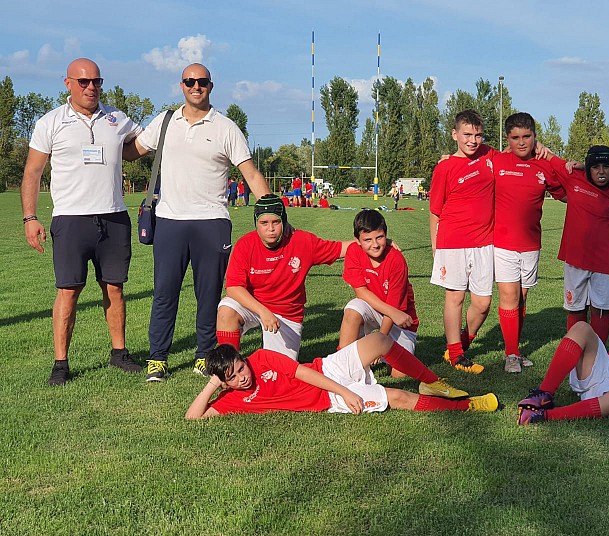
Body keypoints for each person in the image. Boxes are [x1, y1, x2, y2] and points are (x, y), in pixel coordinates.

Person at [123, 64, 270, 382]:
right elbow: (131, 151)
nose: (196, 86)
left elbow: (251, 174)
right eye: (190, 81)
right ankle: (157, 359)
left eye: (202, 82)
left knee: (208, 295)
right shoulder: (164, 122)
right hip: (170, 222)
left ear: (211, 86)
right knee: (164, 292)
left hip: (211, 223)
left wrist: (273, 211)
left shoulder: (226, 128)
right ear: (181, 85)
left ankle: (204, 355)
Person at [21, 58, 143, 385]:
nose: (91, 87)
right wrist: (30, 217)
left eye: (97, 81)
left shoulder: (117, 118)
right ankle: (61, 363)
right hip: (71, 220)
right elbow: (32, 173)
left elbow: (138, 146)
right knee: (68, 291)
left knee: (114, 288)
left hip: (114, 217)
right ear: (68, 84)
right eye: (84, 81)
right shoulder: (51, 122)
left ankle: (119, 353)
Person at [185, 331, 498, 419]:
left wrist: (348, 390)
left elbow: (305, 374)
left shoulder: (262, 358)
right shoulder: (231, 399)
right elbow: (193, 417)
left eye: (241, 367)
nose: (243, 376)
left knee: (378, 340)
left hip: (326, 372)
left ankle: (432, 381)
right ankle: (467, 405)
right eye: (234, 376)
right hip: (329, 399)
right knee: (399, 397)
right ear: (224, 383)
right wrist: (214, 383)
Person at [340, 210, 463, 394]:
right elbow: (361, 292)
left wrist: (378, 341)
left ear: (386, 235)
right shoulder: (353, 251)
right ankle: (343, 366)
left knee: (398, 375)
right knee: (352, 309)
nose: (375, 245)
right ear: (357, 240)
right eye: (368, 240)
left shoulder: (397, 260)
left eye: (380, 237)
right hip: (383, 312)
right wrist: (386, 326)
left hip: (400, 322)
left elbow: (396, 308)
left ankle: (373, 349)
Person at [215, 195, 349, 359]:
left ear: (284, 221)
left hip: (286, 313)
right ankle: (229, 365)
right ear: (256, 223)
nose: (270, 228)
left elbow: (341, 249)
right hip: (254, 305)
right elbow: (233, 288)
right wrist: (263, 311)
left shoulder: (302, 241)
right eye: (264, 223)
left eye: (276, 222)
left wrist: (378, 243)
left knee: (278, 373)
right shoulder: (245, 244)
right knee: (226, 310)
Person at [493, 113, 565, 373]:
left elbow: (566, 193)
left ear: (535, 136)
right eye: (515, 138)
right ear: (507, 139)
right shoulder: (496, 161)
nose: (521, 142)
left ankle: (514, 349)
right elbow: (468, 164)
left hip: (531, 244)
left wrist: (553, 156)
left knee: (522, 299)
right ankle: (511, 354)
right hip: (502, 242)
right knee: (509, 296)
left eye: (526, 137)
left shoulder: (544, 165)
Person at [429, 109, 496, 374]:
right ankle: (456, 355)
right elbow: (435, 212)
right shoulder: (444, 167)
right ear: (454, 134)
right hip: (452, 243)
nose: (472, 140)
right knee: (455, 297)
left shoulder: (489, 155)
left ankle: (461, 344)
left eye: (478, 135)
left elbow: (518, 153)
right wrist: (436, 247)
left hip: (484, 243)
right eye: (467, 134)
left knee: (483, 303)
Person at [545, 145, 609, 343]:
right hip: (576, 257)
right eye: (595, 166)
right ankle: (576, 352)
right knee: (576, 307)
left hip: (607, 261)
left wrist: (585, 164)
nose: (601, 171)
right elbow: (546, 155)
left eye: (606, 166)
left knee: (600, 309)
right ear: (588, 168)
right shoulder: (574, 178)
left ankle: (598, 357)